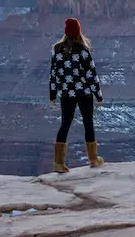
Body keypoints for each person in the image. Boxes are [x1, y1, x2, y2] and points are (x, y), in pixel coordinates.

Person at [49, 17, 104, 173]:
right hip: (84, 92)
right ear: (79, 32)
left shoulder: (57, 50)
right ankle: (93, 160)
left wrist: (52, 94)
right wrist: (98, 95)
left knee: (65, 123)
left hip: (66, 93)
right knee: (88, 122)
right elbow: (92, 75)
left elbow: (53, 74)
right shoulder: (83, 51)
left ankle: (58, 163)